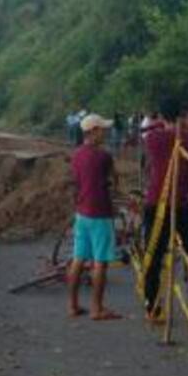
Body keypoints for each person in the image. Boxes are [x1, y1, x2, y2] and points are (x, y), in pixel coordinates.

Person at [141, 99, 188, 322]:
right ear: (182, 117)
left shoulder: (152, 139)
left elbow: (151, 139)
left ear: (162, 117)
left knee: (153, 256)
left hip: (156, 203)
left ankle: (152, 307)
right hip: (180, 205)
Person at [67, 114, 122, 321]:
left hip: (82, 212)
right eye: (102, 129)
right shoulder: (103, 156)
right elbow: (114, 181)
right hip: (100, 213)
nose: (105, 133)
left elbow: (76, 182)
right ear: (93, 131)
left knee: (78, 259)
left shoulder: (77, 154)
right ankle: (97, 309)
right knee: (100, 262)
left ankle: (72, 306)